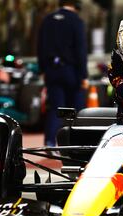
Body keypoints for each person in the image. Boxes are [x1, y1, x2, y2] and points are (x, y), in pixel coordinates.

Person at [37, 0, 88, 146]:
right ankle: (77, 142)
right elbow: (80, 51)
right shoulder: (76, 21)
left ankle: (50, 141)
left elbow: (40, 47)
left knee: (55, 108)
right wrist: (83, 75)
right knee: (77, 109)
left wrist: (42, 69)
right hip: (71, 71)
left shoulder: (47, 20)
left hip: (52, 70)